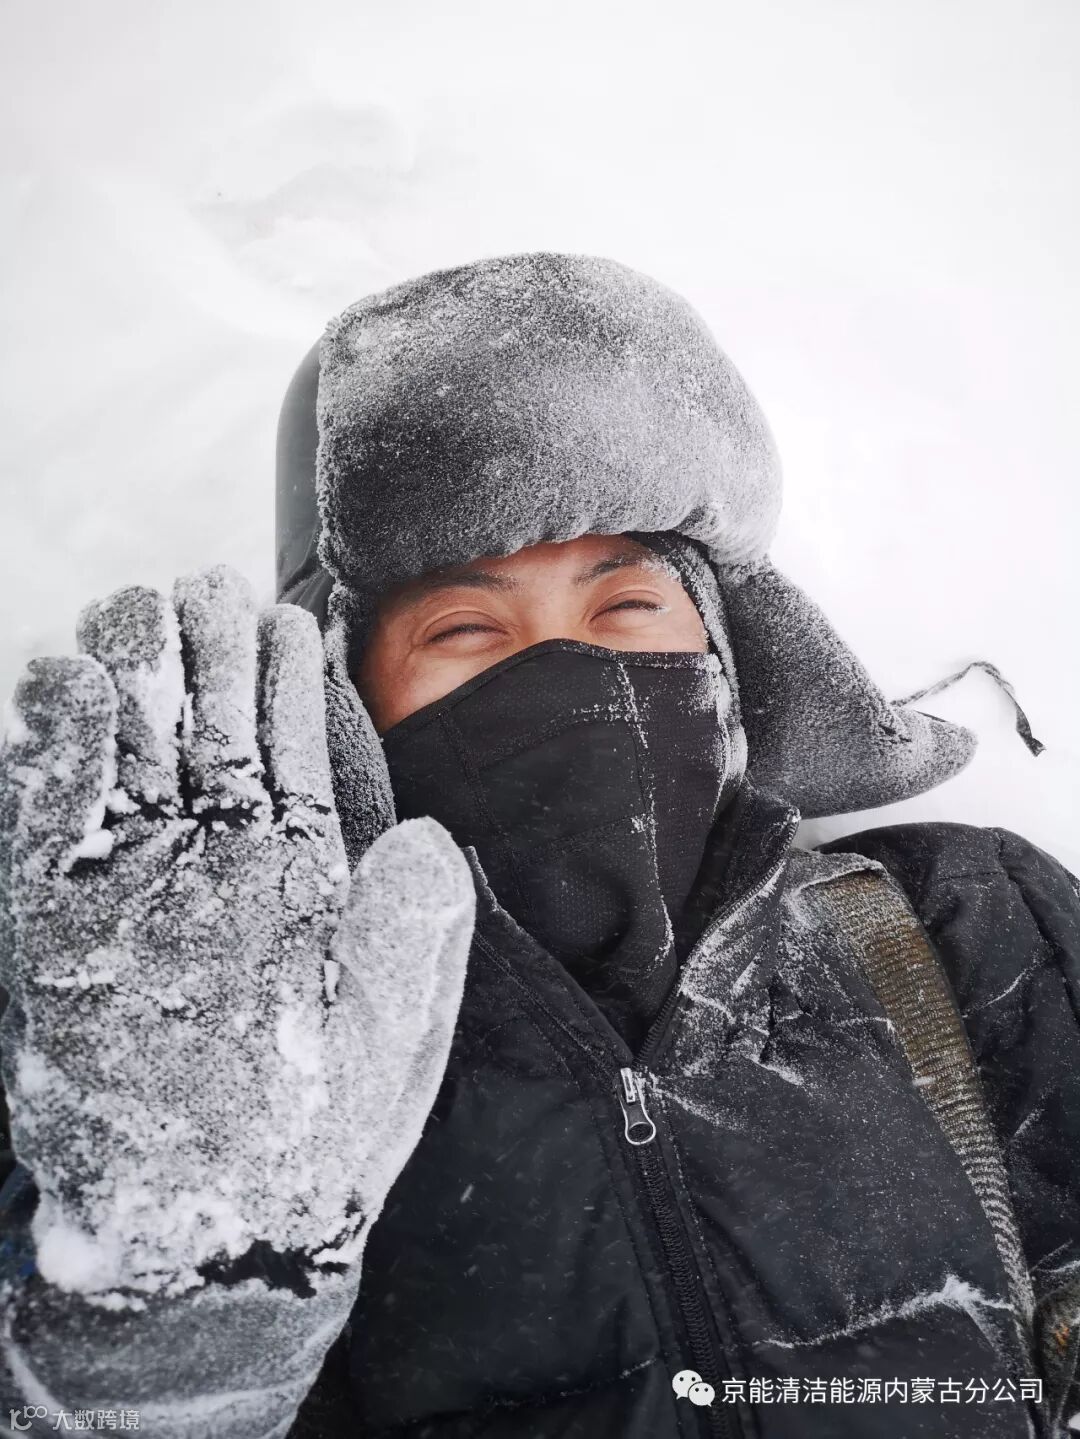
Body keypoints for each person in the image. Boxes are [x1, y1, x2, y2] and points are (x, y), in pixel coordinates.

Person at [0, 252, 1077, 1438]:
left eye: (628, 606)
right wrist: (177, 1333)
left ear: (724, 652)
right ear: (350, 703)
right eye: (466, 626)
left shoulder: (965, 921)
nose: (573, 668)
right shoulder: (211, 1026)